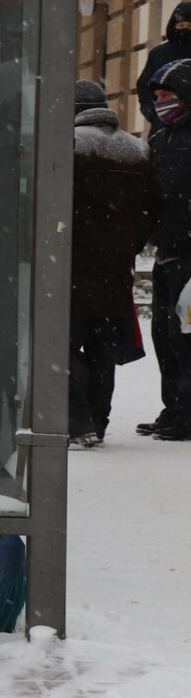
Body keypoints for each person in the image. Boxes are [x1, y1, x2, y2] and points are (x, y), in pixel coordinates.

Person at [68, 80, 163, 446]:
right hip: (114, 273)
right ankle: (98, 420)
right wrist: (127, 246)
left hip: (68, 269)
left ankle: (77, 423)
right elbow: (156, 208)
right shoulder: (137, 150)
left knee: (61, 348)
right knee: (101, 350)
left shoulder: (69, 147)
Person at [142, 59, 191, 441]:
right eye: (156, 97)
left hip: (188, 255)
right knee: (163, 333)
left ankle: (186, 413)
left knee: (184, 336)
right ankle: (173, 407)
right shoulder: (160, 138)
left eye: (167, 96)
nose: (160, 103)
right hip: (165, 252)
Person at [136, 2, 191, 133]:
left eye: (189, 26)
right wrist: (154, 115)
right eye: (181, 25)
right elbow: (144, 87)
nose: (185, 29)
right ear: (174, 26)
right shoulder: (159, 54)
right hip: (162, 126)